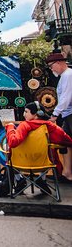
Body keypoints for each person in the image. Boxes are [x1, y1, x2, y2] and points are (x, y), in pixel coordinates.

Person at [5, 101, 72, 192]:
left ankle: (20, 180)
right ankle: (42, 180)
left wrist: (10, 128)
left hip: (21, 164)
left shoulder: (24, 125)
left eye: (26, 112)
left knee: (8, 150)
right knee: (48, 151)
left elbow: (13, 142)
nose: (24, 114)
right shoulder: (50, 127)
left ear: (36, 114)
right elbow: (67, 140)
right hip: (44, 164)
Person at [46, 52, 72, 181]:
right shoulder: (64, 76)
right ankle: (67, 172)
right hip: (67, 114)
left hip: (70, 114)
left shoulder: (68, 75)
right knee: (66, 143)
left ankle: (67, 172)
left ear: (58, 63)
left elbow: (66, 97)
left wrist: (55, 114)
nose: (51, 69)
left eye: (51, 66)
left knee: (67, 142)